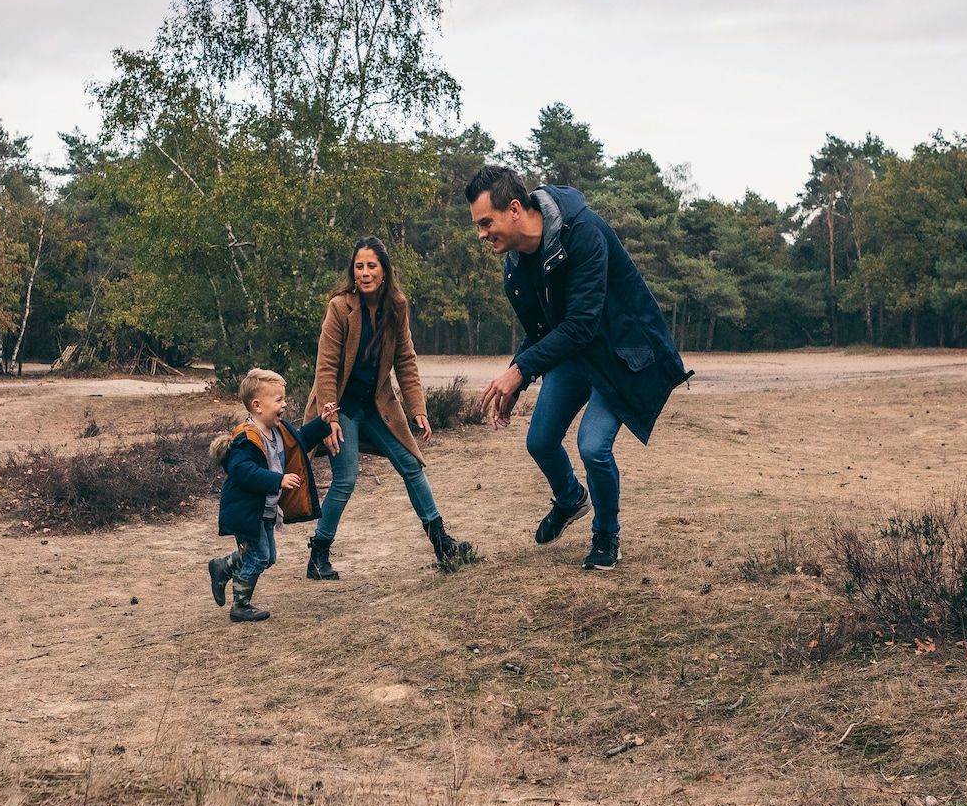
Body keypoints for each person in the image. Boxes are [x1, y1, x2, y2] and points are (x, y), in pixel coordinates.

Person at [464, 164, 688, 571]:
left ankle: (606, 533)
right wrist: (519, 377)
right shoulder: (514, 268)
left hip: (617, 354)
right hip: (574, 354)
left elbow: (583, 323)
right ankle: (570, 499)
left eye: (485, 222)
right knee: (540, 441)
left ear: (514, 209)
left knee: (593, 447)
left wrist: (518, 372)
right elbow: (540, 331)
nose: (482, 234)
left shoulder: (582, 231)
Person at [302, 236, 475, 579]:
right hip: (342, 409)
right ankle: (318, 554)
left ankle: (441, 542)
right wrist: (330, 418)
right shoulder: (340, 308)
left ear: (384, 271)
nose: (364, 273)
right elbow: (325, 367)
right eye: (359, 266)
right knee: (346, 479)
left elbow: (406, 360)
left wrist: (417, 410)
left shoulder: (397, 306)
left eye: (372, 266)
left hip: (377, 408)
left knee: (412, 465)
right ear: (353, 272)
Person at [208, 367, 339, 623]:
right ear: (257, 406)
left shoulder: (278, 432)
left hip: (266, 509)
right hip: (247, 511)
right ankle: (240, 606)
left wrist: (321, 425)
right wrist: (278, 480)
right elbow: (242, 471)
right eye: (278, 400)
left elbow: (299, 441)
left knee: (268, 558)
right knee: (259, 556)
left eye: (284, 398)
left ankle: (224, 566)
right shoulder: (248, 438)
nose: (285, 404)